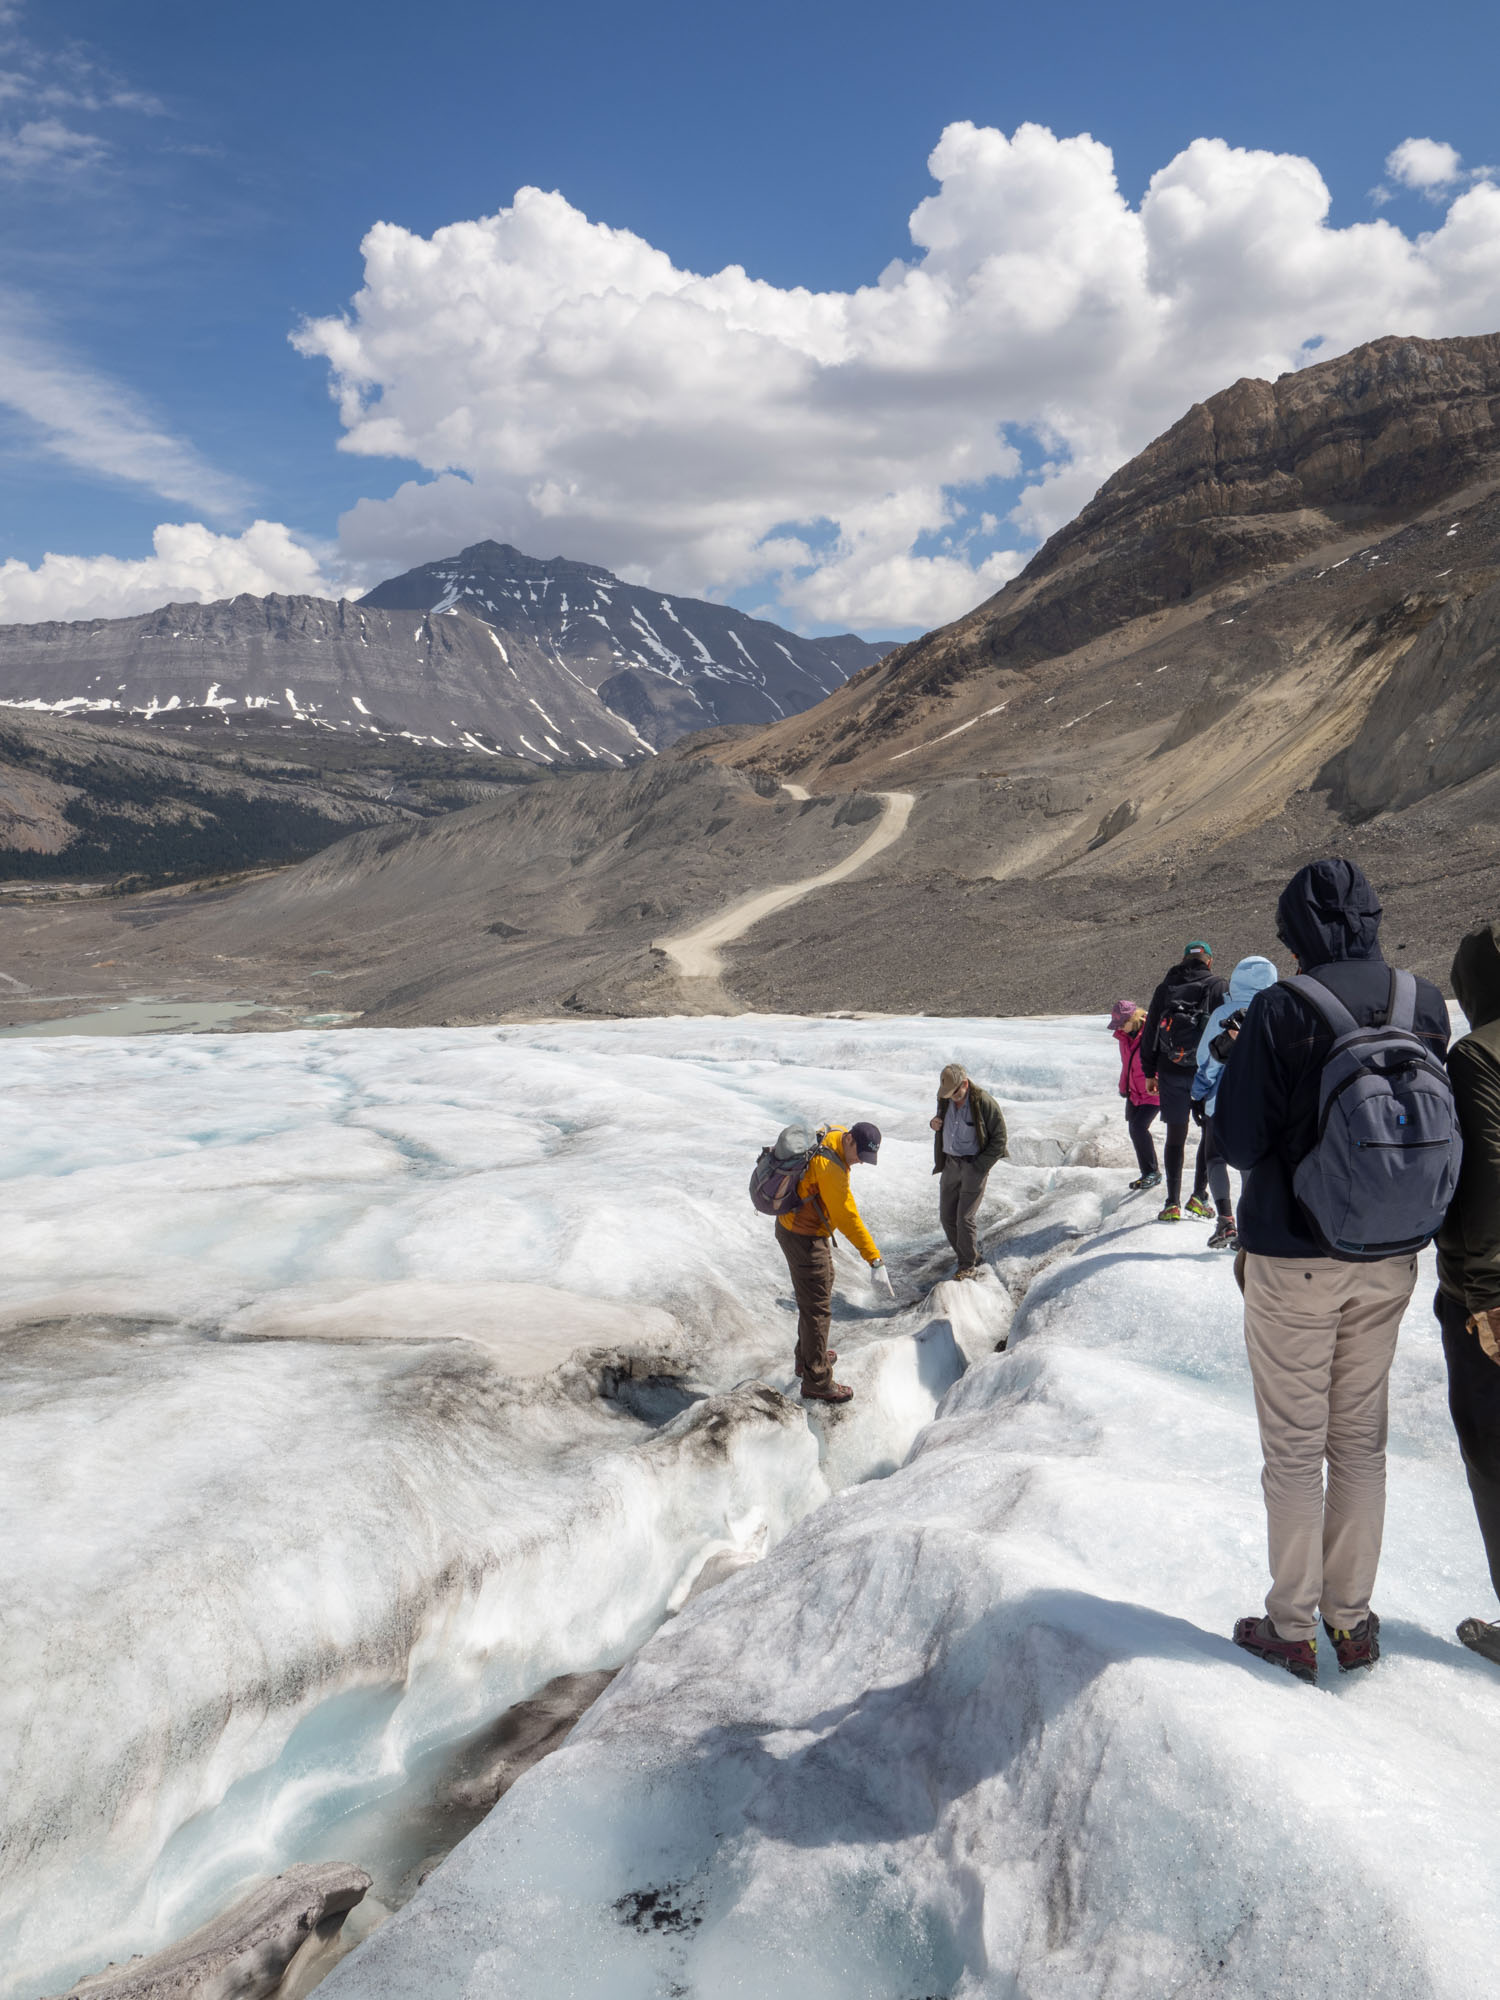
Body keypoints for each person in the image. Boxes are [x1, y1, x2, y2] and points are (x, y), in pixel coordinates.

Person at [1215, 859, 1449, 1681]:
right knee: (1359, 1442)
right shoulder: (1424, 1002)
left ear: (1297, 931)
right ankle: (1351, 1623)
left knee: (1294, 1449)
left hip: (1293, 1260)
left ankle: (1290, 1625)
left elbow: (1240, 1143)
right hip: (1390, 1258)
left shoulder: (1284, 1008)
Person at [1435, 922, 1500, 1666]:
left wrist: (1478, 1295)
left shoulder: (1479, 1055)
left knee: (1494, 1455)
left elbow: (1487, 1184)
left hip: (1492, 1288)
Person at [777, 1120, 892, 1404]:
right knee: (817, 1307)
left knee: (823, 1284)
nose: (860, 1164)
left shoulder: (836, 1134)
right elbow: (847, 1218)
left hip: (802, 1228)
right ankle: (817, 1379)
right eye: (860, 1156)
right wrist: (874, 1259)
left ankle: (807, 1357)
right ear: (850, 1140)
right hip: (803, 1235)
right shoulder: (832, 1170)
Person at [1191, 956, 1279, 1249]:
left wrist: (1199, 1093)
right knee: (1250, 1165)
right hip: (1261, 1104)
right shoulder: (1277, 1011)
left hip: (1221, 1100)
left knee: (1215, 1158)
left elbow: (1205, 1059)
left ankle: (1225, 1221)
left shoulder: (1223, 1013)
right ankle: (1251, 1225)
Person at [1141, 941, 1228, 1222]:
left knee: (1175, 1137)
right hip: (1204, 1072)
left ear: (1183, 960)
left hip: (1170, 1070)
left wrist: (1149, 1071)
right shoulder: (1217, 986)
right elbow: (1224, 1030)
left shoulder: (1165, 987)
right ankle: (1198, 1196)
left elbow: (1151, 1030)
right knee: (1208, 1133)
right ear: (1209, 961)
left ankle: (1171, 1203)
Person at [930, 1064, 1008, 1278]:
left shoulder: (984, 1102)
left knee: (964, 1218)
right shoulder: (946, 1098)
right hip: (950, 1164)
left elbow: (1000, 1139)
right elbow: (942, 1123)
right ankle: (968, 1254)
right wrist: (934, 1124)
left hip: (974, 1165)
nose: (952, 1098)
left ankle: (967, 1265)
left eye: (955, 1093)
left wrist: (980, 1166)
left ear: (964, 1083)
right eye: (948, 1094)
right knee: (947, 1217)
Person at [1110, 1000, 1161, 1191]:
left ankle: (1152, 1173)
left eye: (1122, 1023)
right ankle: (1148, 1172)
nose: (1120, 1028)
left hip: (1153, 1091)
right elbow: (1127, 1065)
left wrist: (1156, 1080)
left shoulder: (1152, 1033)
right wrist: (1124, 1087)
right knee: (1134, 1128)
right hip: (1134, 1092)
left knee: (1139, 1127)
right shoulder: (1124, 1038)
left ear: (1133, 1017)